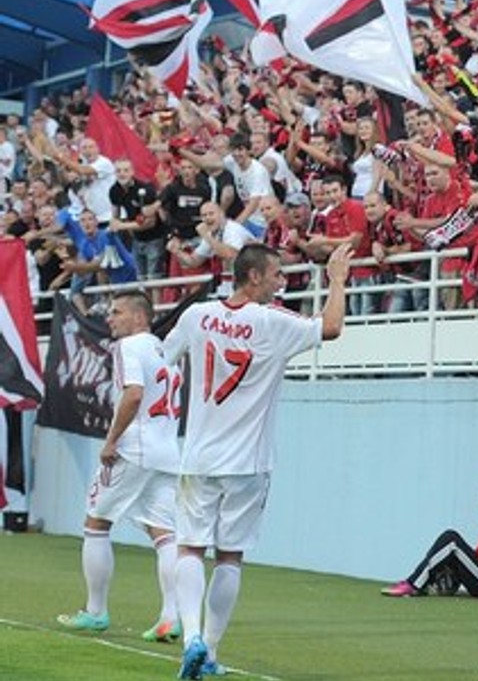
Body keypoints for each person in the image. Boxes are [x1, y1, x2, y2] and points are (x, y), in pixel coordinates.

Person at [162, 242, 351, 680]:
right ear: (253, 276)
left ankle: (191, 637)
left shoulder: (195, 315)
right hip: (249, 462)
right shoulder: (272, 321)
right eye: (276, 274)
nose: (280, 281)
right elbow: (331, 327)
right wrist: (338, 280)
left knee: (189, 547)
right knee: (229, 556)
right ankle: (210, 651)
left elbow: (165, 359)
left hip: (199, 457)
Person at [57, 291, 181, 643]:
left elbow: (134, 394)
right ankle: (170, 617)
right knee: (165, 533)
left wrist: (111, 440)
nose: (109, 318)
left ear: (139, 317)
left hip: (134, 449)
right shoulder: (165, 350)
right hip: (166, 450)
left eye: (117, 312)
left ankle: (95, 611)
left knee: (96, 522)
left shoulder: (129, 346)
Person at [380, 490, 478, 599]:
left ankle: (413, 584)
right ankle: (435, 584)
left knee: (451, 538)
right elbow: (472, 559)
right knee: (452, 551)